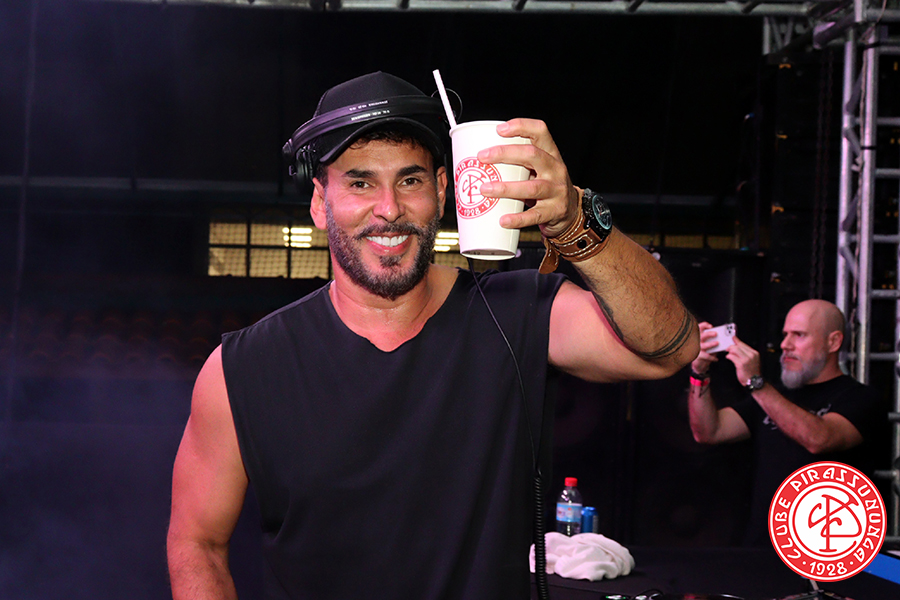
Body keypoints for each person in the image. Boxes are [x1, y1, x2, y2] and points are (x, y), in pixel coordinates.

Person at [166, 71, 699, 600]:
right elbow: (197, 544)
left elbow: (670, 348)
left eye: (410, 180)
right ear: (318, 202)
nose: (389, 209)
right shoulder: (244, 368)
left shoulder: (521, 313)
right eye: (359, 183)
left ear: (443, 191)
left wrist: (579, 222)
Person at [688, 299, 887, 546]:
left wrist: (756, 383)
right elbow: (709, 431)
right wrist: (699, 373)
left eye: (799, 335)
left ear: (833, 342)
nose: (785, 345)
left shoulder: (861, 398)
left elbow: (819, 439)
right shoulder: (773, 396)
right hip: (762, 550)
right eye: (784, 335)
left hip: (826, 552)